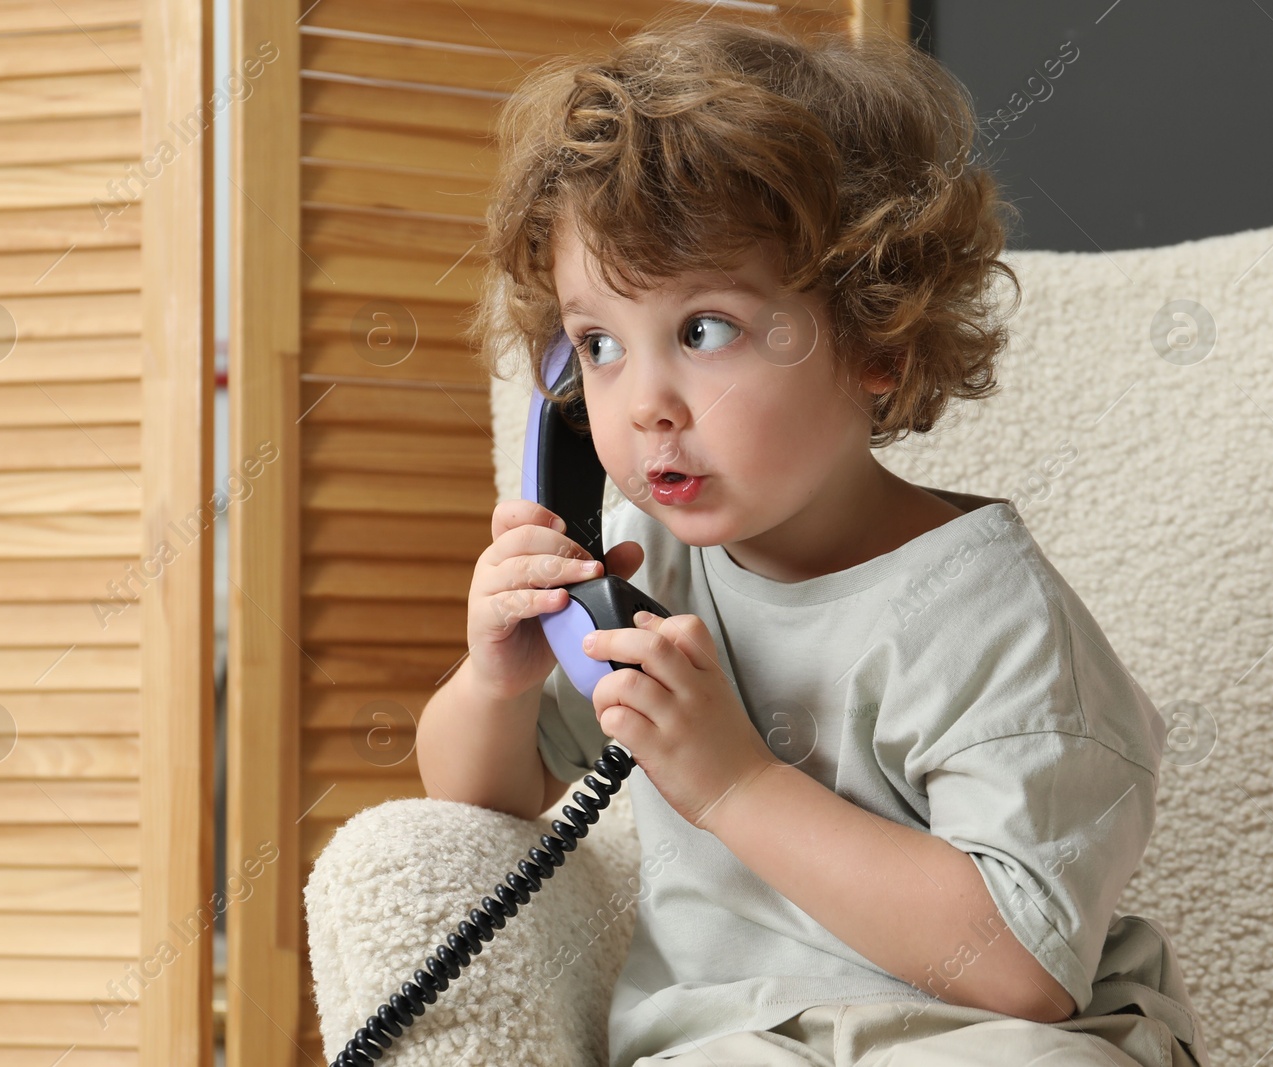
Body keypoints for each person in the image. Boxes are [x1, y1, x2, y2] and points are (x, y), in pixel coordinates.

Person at [416, 12, 1208, 1067]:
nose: (645, 401)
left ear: (874, 340)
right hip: (731, 1038)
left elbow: (1021, 965)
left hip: (979, 1034)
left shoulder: (997, 623)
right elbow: (480, 795)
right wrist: (496, 681)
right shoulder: (640, 571)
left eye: (703, 330)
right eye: (599, 344)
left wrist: (736, 781)